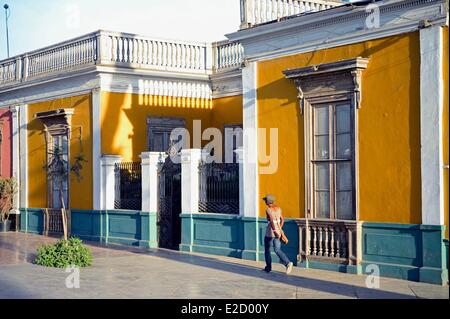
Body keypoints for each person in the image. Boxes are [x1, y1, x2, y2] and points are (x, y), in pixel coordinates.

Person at [262, 194, 293, 275]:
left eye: (265, 200)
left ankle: (268, 268)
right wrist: (279, 229)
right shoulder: (279, 209)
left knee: (267, 250)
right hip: (278, 232)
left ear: (268, 202)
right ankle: (288, 263)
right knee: (277, 249)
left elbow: (271, 221)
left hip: (270, 232)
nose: (265, 201)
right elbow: (282, 219)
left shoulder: (268, 210)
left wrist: (274, 230)